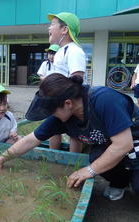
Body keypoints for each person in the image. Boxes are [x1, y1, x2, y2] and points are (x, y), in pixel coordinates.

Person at [0, 73, 139, 201]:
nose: (51, 115)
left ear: (68, 103)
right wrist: (2, 158)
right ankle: (121, 183)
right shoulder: (63, 116)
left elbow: (123, 145)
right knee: (95, 156)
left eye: (52, 110)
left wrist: (88, 171)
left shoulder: (104, 100)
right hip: (112, 145)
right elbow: (31, 139)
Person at [46, 12, 86, 151]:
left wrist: (67, 103)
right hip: (58, 99)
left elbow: (77, 80)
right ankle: (53, 158)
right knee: (54, 129)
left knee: (75, 134)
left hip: (69, 103)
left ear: (64, 30)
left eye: (52, 24)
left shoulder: (74, 50)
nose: (48, 28)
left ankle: (74, 164)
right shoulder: (61, 51)